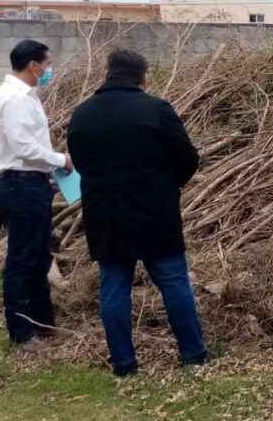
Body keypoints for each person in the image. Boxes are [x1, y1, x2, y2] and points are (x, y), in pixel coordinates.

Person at [68, 49, 205, 377]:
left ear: (108, 72)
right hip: (154, 211)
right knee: (173, 282)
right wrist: (167, 183)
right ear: (142, 76)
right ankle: (193, 355)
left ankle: (124, 364)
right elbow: (187, 157)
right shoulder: (156, 110)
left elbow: (80, 162)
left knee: (114, 287)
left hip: (106, 215)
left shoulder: (82, 115)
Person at [0, 39, 72, 352]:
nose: (48, 70)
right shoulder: (13, 98)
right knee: (21, 262)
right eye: (47, 65)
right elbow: (23, 146)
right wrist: (60, 159)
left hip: (33, 184)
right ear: (33, 64)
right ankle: (22, 333)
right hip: (22, 185)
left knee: (39, 258)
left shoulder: (26, 96)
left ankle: (43, 323)